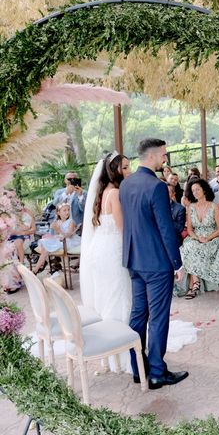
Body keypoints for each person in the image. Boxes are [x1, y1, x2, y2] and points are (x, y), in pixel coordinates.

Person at [119, 138, 188, 390]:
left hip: (133, 260)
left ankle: (139, 369)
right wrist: (177, 264)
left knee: (138, 315)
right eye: (163, 155)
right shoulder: (156, 187)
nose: (165, 159)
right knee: (158, 317)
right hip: (157, 264)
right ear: (153, 156)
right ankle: (157, 371)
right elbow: (166, 229)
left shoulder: (126, 184)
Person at [79, 152, 132, 371]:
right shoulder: (116, 193)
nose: (129, 171)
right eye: (126, 167)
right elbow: (122, 229)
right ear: (115, 170)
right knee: (119, 296)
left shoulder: (101, 193)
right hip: (112, 252)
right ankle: (121, 353)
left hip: (98, 252)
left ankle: (108, 354)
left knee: (106, 297)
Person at [178, 179, 219, 299]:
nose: (195, 192)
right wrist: (197, 238)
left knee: (195, 249)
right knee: (187, 247)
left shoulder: (213, 206)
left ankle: (194, 285)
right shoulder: (191, 207)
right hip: (196, 236)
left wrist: (207, 238)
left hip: (212, 237)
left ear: (204, 190)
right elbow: (190, 229)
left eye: (197, 189)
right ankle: (196, 283)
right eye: (193, 190)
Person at [33, 203, 81, 273]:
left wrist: (58, 230)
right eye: (64, 210)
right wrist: (54, 230)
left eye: (68, 210)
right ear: (58, 213)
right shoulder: (57, 222)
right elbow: (54, 234)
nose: (67, 212)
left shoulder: (71, 222)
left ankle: (38, 268)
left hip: (69, 241)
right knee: (44, 242)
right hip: (60, 239)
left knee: (47, 248)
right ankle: (41, 265)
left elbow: (69, 235)